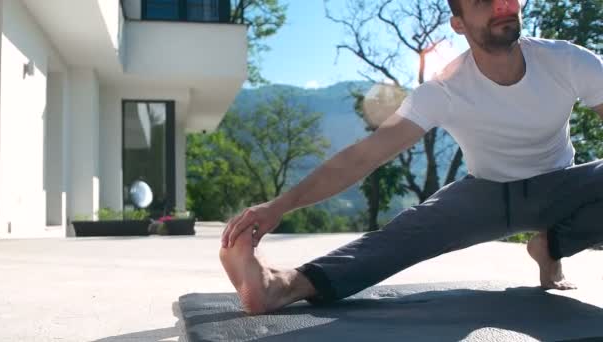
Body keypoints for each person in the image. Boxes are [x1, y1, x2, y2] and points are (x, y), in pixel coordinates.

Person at [219, 0, 603, 315]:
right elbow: (363, 156)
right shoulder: (444, 89)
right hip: (483, 195)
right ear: (458, 24)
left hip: (559, 188)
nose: (502, 6)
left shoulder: (568, 61)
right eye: (484, 2)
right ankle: (280, 286)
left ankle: (550, 246)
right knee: (403, 235)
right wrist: (280, 205)